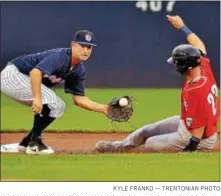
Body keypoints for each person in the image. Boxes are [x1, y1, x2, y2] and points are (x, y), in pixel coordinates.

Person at [95, 15, 219, 153]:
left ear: (186, 66)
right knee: (147, 130)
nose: (175, 65)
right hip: (187, 123)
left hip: (200, 137)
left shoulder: (196, 90)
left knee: (151, 144)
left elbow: (200, 125)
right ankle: (118, 147)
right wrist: (182, 27)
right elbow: (199, 45)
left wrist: (191, 148)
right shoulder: (201, 66)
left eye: (177, 63)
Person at [1, 30, 109, 154]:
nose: (86, 50)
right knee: (50, 99)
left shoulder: (78, 70)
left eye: (89, 47)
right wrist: (37, 98)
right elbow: (35, 72)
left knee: (58, 106)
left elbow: (79, 99)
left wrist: (104, 109)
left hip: (24, 80)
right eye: (82, 46)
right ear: (73, 45)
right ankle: (35, 143)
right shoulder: (60, 56)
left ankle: (25, 143)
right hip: (12, 75)